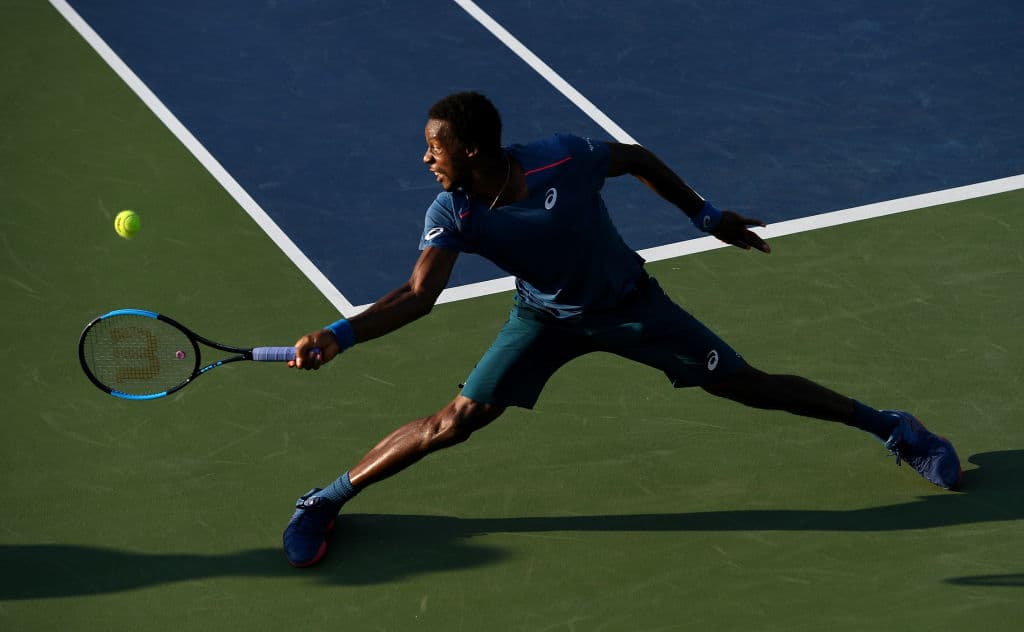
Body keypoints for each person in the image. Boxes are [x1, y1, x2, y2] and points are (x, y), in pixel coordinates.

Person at [281, 91, 961, 568]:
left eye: (436, 146)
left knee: (752, 386)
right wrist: (339, 335)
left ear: (475, 147)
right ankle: (324, 501)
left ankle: (896, 428)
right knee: (453, 421)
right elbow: (417, 294)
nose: (426, 158)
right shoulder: (453, 210)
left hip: (634, 308)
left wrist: (706, 216)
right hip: (545, 318)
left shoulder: (561, 159)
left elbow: (633, 157)